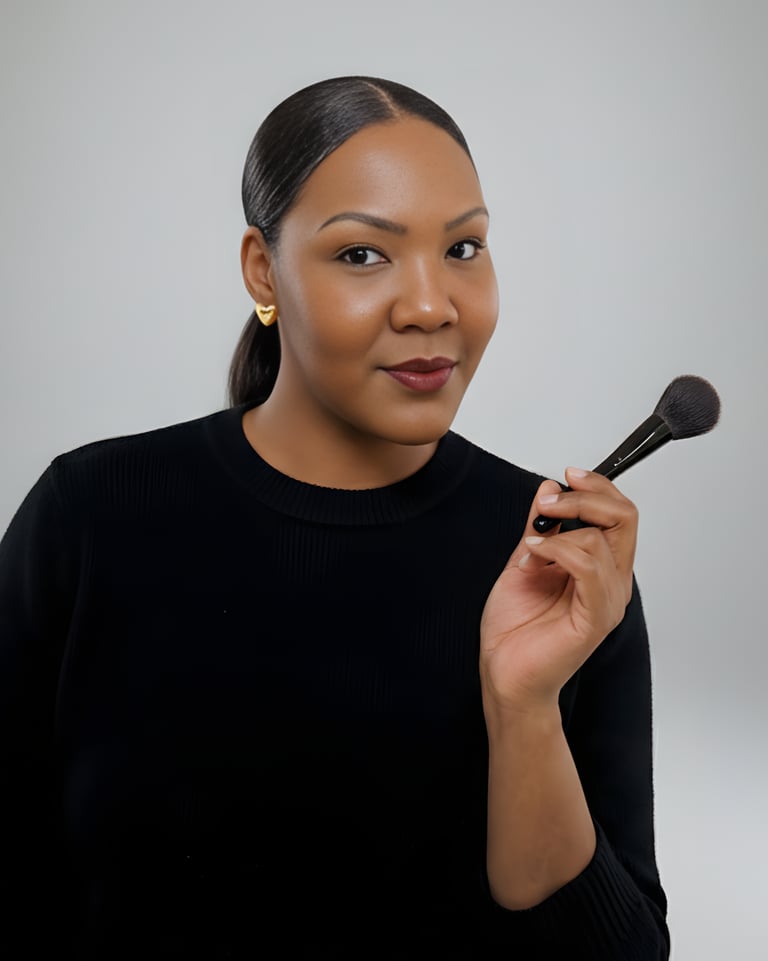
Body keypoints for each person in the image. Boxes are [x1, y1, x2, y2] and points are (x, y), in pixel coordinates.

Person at [0, 76, 670, 959]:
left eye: (464, 248)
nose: (432, 305)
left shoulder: (557, 564)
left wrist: (524, 705)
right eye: (363, 255)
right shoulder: (90, 517)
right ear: (261, 270)